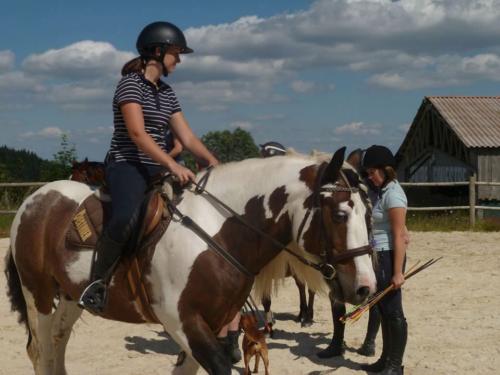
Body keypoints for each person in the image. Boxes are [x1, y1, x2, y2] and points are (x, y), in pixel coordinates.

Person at [78, 21, 218, 313]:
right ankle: (97, 283)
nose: (179, 60)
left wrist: (214, 163)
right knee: (125, 217)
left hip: (157, 167)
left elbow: (187, 137)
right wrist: (172, 164)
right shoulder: (129, 85)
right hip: (127, 164)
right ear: (158, 51)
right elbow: (138, 135)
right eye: (176, 53)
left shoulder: (167, 93)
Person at [359, 145, 408, 375]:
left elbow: (399, 234)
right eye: (367, 173)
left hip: (389, 256)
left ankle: (395, 366)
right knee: (382, 308)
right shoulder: (381, 192)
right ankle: (385, 360)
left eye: (372, 172)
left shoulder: (394, 194)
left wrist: (398, 272)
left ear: (385, 170)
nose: (370, 177)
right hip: (378, 254)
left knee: (394, 311)